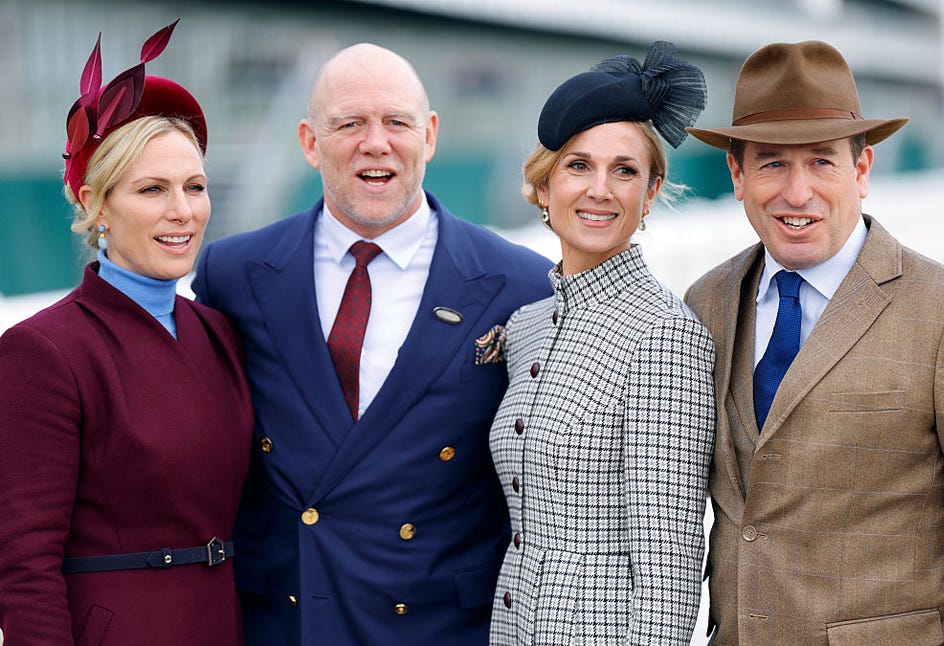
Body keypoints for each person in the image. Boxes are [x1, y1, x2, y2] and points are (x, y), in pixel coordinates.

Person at [191, 43, 553, 645]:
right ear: (310, 142)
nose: (376, 143)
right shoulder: (233, 273)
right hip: (286, 622)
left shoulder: (521, 283)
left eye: (396, 123)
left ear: (429, 135)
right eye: (349, 124)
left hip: (441, 626)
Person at [684, 40, 944, 645]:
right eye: (771, 164)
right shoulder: (706, 303)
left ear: (862, 170)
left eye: (821, 161)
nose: (797, 194)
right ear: (737, 175)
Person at [0, 21, 252, 646]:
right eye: (152, 190)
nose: (182, 211)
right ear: (97, 205)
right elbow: (24, 565)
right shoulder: (44, 351)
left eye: (195, 187)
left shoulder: (217, 331)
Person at [488, 41, 716, 644]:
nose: (600, 189)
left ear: (650, 193)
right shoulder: (527, 326)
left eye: (625, 170)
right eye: (578, 166)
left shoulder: (663, 336)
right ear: (544, 186)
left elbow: (668, 571)